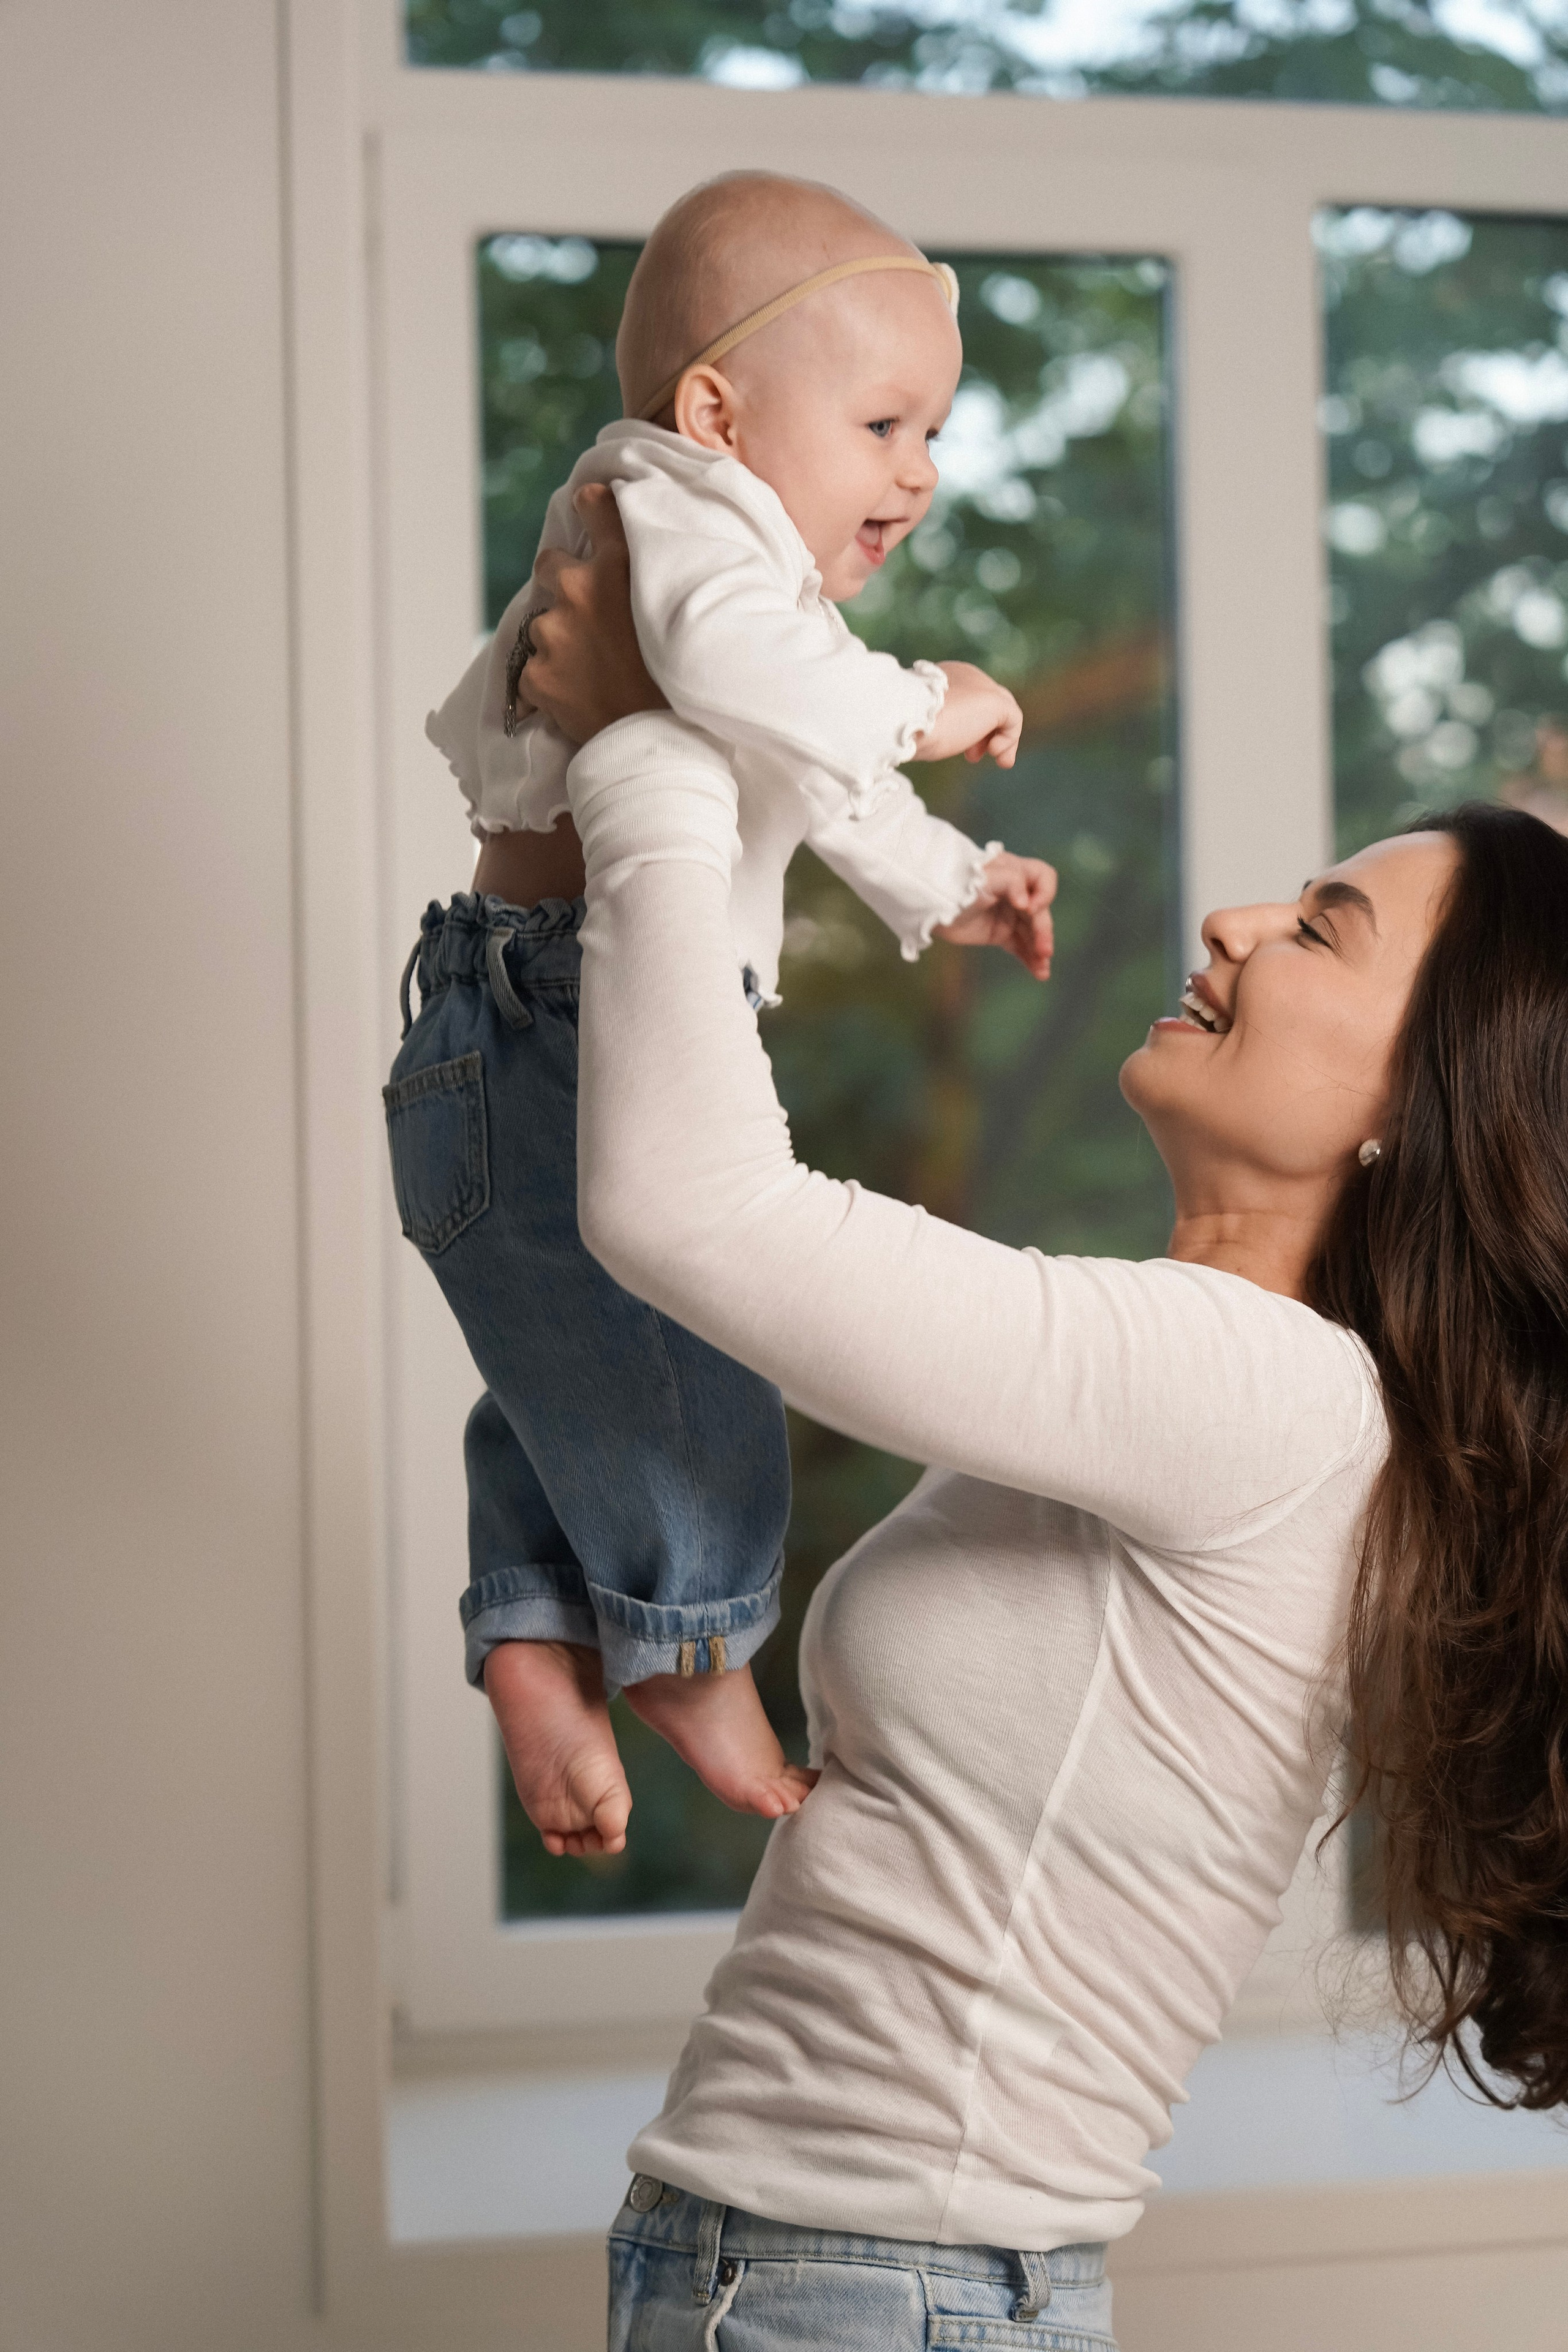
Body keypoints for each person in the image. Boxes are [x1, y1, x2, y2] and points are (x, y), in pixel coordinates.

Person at [514, 495, 1568, 2349]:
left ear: (1429, 1103)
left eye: (1322, 928)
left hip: (866, 2287)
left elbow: (697, 1212)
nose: (1241, 918)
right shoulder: (1232, 1382)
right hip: (817, 2270)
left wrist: (647, 746)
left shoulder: (1258, 1396)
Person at [388, 170, 1055, 1856]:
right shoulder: (676, 512)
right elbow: (787, 697)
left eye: (936, 432)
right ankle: (685, 1649)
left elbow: (802, 766)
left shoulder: (741, 594)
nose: (921, 470)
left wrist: (946, 884)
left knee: (578, 1368)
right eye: (889, 421)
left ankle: (539, 1636)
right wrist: (931, 696)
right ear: (716, 410)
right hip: (556, 1017)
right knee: (685, 1365)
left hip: (510, 1019)